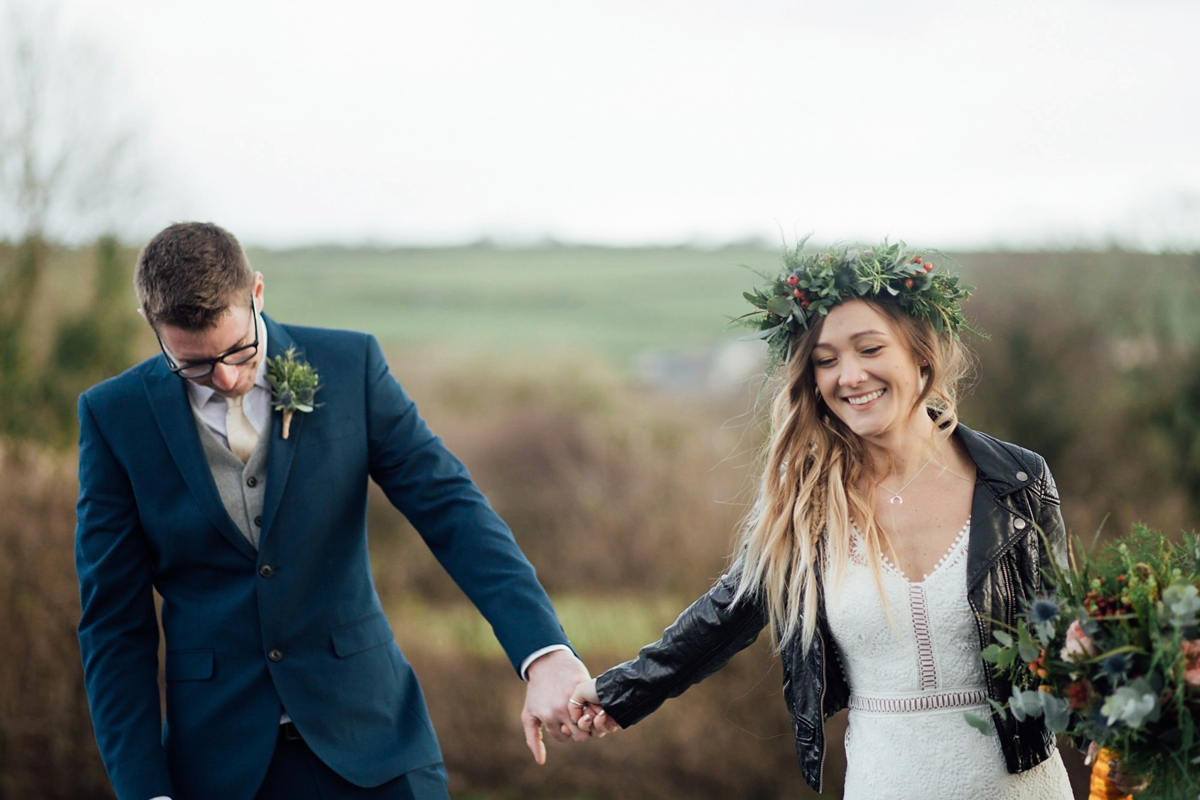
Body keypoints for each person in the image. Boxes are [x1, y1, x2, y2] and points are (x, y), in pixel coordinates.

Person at [75, 222, 589, 800]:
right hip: (219, 769)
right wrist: (145, 791)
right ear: (153, 326)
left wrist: (542, 653)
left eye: (238, 350)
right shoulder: (113, 418)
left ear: (258, 293)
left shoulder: (350, 367)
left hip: (376, 746)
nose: (223, 378)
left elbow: (452, 510)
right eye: (193, 365)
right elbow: (114, 626)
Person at [570, 242, 1078, 798]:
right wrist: (622, 692)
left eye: (870, 349)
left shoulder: (1018, 481)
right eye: (827, 360)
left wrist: (1126, 738)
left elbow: (1072, 639)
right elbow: (727, 612)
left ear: (921, 354)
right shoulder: (805, 504)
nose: (851, 375)